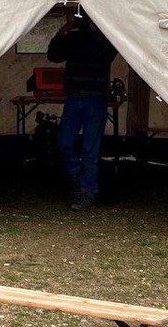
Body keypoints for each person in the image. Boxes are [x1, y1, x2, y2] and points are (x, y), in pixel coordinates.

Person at [46, 14, 118, 210]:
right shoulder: (74, 37)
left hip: (95, 99)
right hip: (74, 98)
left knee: (90, 149)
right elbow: (53, 55)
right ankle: (77, 176)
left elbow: (108, 53)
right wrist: (65, 29)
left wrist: (99, 28)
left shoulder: (107, 39)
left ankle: (87, 191)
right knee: (64, 141)